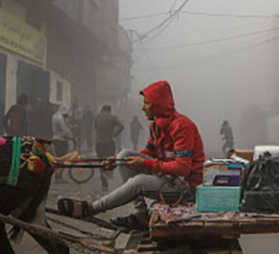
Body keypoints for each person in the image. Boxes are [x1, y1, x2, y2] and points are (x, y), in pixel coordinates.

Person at [58, 80, 205, 231]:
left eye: (146, 103)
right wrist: (117, 161)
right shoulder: (156, 126)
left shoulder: (181, 126)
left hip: (185, 187)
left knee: (139, 182)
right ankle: (141, 213)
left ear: (157, 105)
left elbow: (183, 168)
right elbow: (148, 153)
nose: (143, 108)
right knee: (124, 154)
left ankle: (92, 208)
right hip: (169, 177)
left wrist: (145, 164)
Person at [93, 104, 125, 191]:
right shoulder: (113, 117)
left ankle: (104, 182)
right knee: (110, 158)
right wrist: (114, 134)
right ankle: (109, 172)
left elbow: (95, 127)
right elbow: (121, 126)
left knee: (101, 160)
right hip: (109, 142)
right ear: (110, 110)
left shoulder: (97, 117)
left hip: (99, 143)